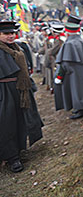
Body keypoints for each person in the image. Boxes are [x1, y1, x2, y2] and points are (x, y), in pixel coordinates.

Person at [0, 21, 43, 173]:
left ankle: (18, 149)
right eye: (6, 34)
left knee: (21, 120)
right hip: (4, 92)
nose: (11, 36)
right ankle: (12, 158)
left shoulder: (19, 48)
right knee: (6, 123)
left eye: (12, 33)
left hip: (20, 90)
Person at [53, 14, 83, 119]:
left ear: (67, 31)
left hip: (73, 73)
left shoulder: (69, 44)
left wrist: (60, 75)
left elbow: (65, 63)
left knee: (77, 91)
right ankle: (81, 108)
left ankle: (81, 109)